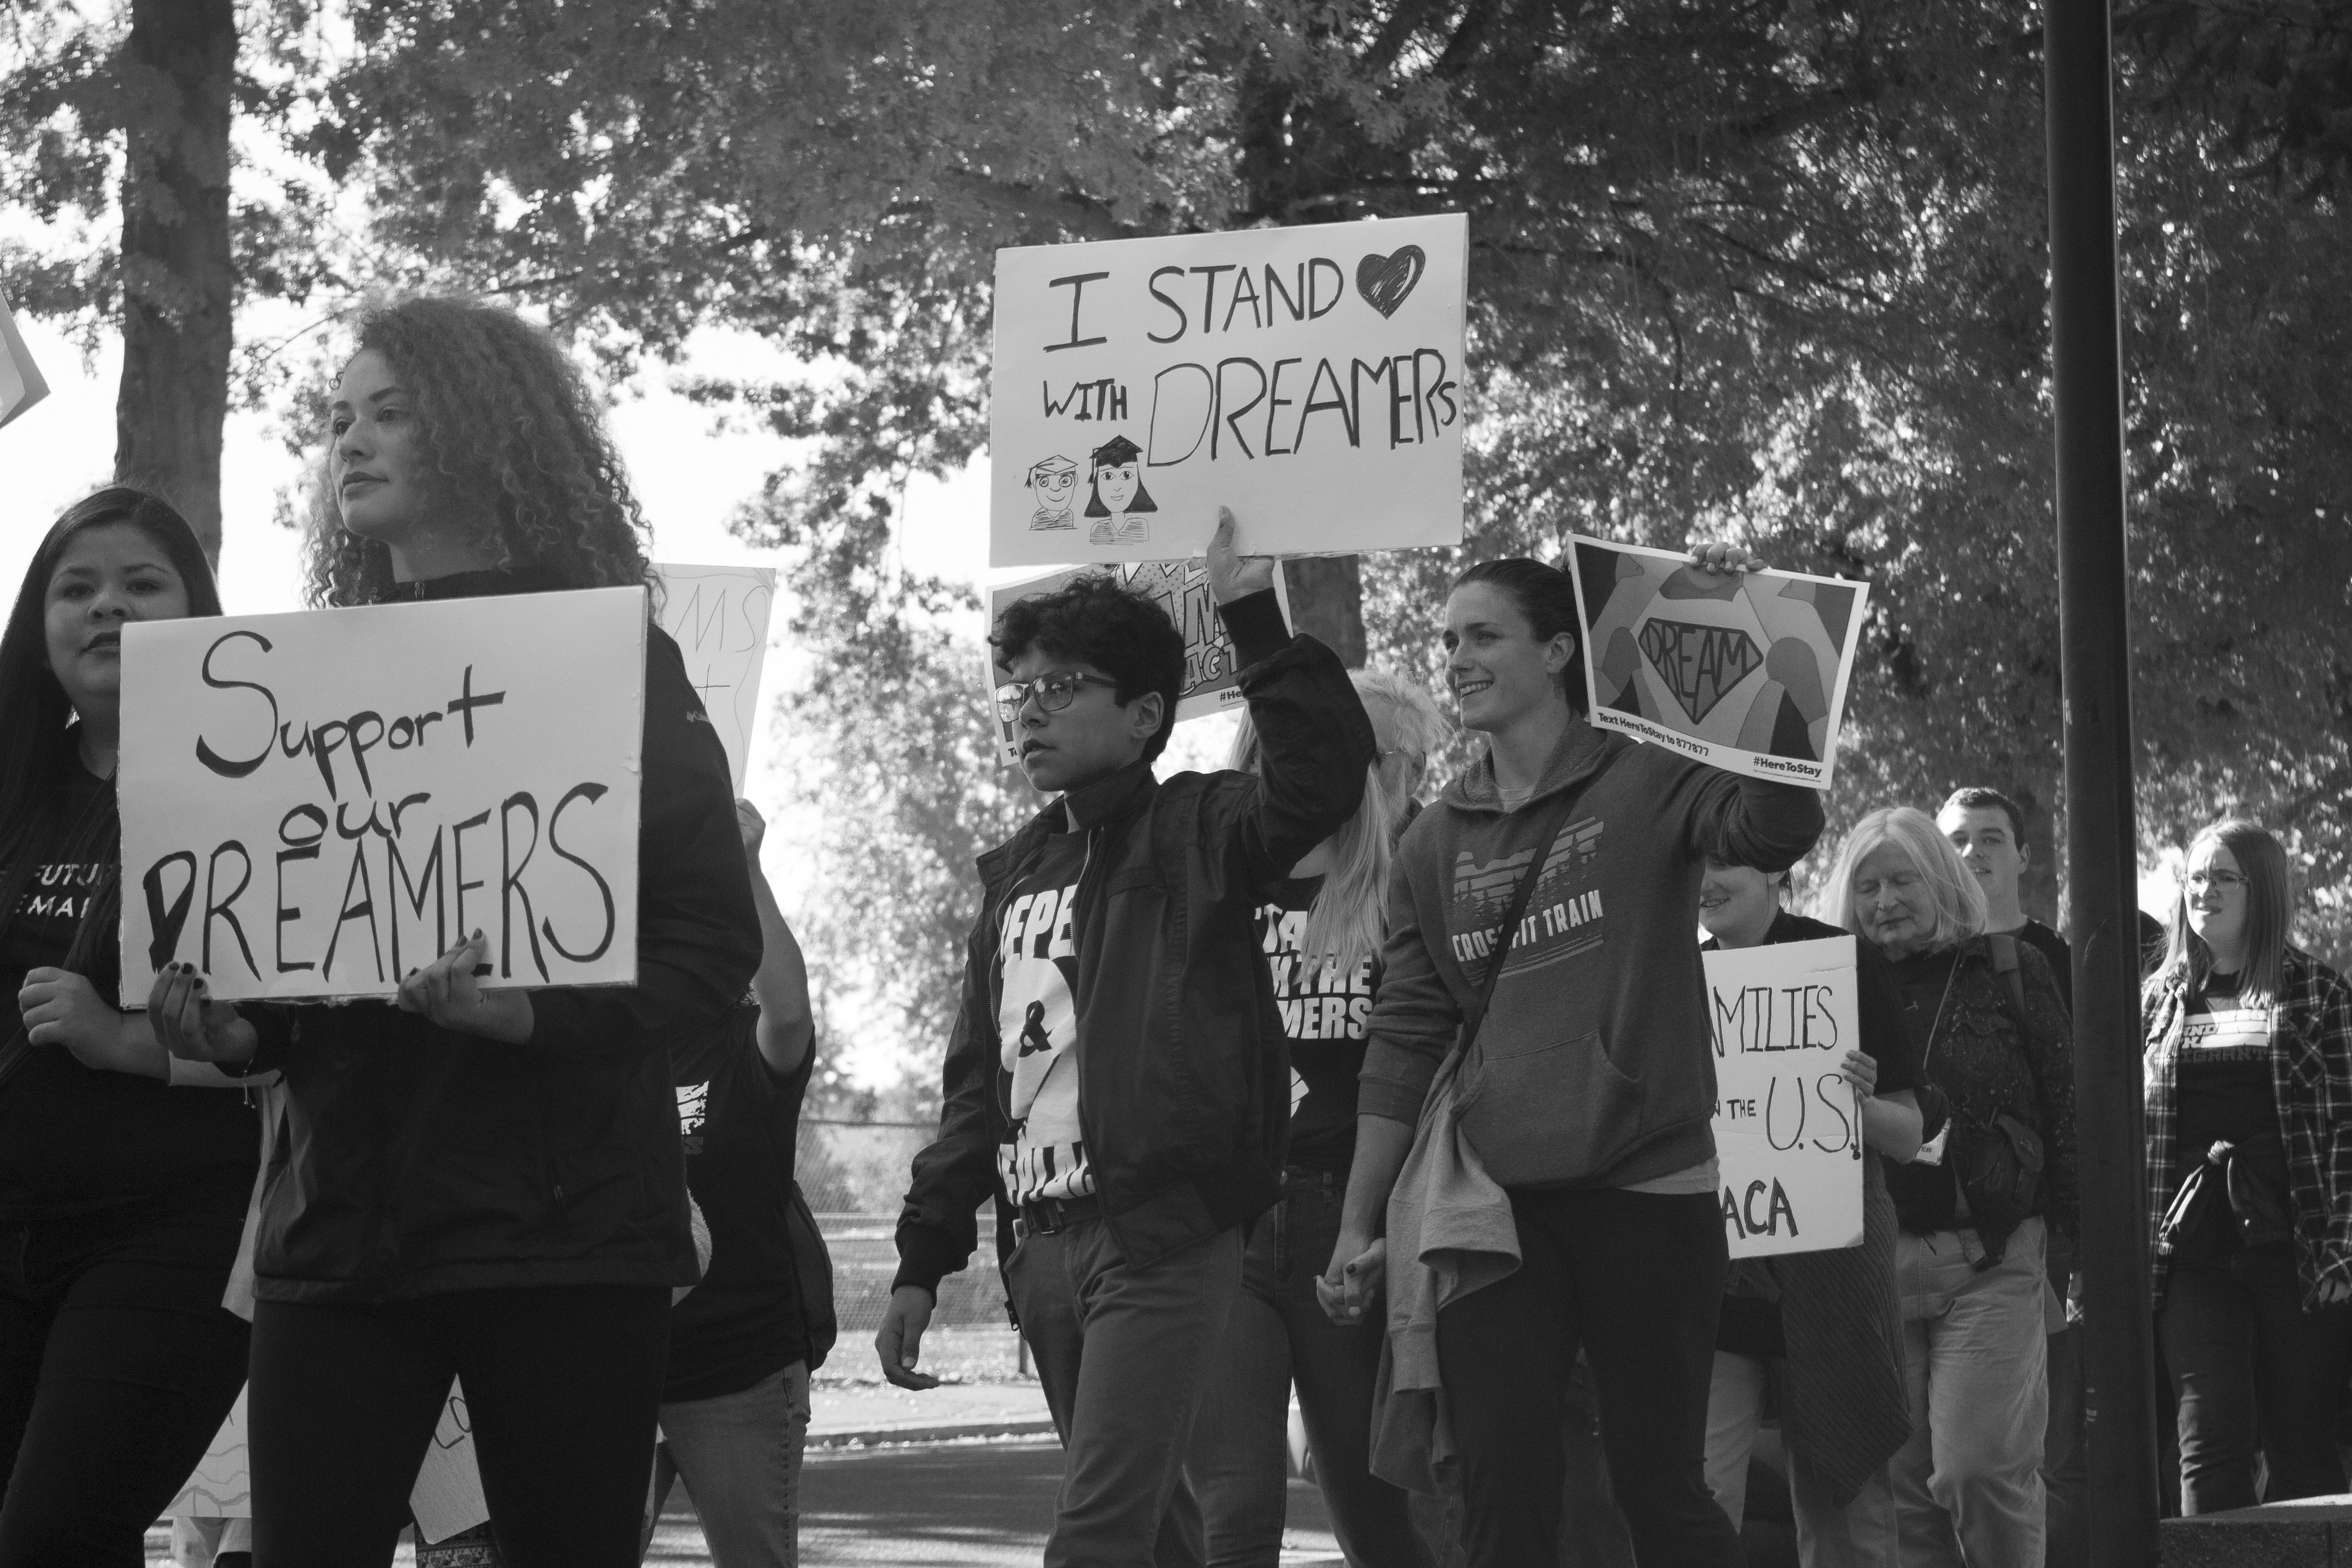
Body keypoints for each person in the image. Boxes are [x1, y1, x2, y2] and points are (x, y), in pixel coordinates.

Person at [151, 295, 761, 1568]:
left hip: (567, 1237)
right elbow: (300, 983)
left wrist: (530, 1015)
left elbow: (710, 951)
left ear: (490, 438)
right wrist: (234, 1025)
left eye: (392, 412)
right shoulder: (302, 681)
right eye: (338, 419)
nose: (351, 444)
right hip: (339, 1235)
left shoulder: (619, 662)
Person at [876, 513, 1376, 1568]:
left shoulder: (1196, 829)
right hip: (1042, 1253)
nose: (1029, 713)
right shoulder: (1010, 877)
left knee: (1095, 1537)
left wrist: (1248, 610)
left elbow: (1321, 776)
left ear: (1147, 712)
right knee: (1155, 1534)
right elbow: (981, 1086)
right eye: (1019, 691)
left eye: (1063, 688)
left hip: (1161, 1237)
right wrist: (925, 1258)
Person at [1331, 551, 1826, 1568]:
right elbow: (1405, 1040)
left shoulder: (1649, 772)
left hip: (1650, 1186)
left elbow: (1777, 825)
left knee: (1661, 1494)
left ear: (1560, 651)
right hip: (1495, 1206)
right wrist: (1357, 1221)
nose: (1458, 657)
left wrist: (1774, 692)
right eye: (1450, 640)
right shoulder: (1432, 842)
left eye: (1484, 636)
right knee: (1500, 1492)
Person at [0, 488, 263, 1567]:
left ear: (197, 613)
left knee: (55, 1534)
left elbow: (305, 1039)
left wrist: (125, 1042)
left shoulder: (264, 787)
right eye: (77, 588)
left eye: (141, 584)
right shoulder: (16, 780)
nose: (107, 607)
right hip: (13, 1218)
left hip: (175, 1228)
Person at [1184, 669, 1447, 1568]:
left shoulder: (1419, 891)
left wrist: (1369, 1225)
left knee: (1378, 1511)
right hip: (1225, 1222)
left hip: (1354, 1224)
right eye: (1289, 745)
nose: (1316, 763)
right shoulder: (1219, 880)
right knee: (1232, 1506)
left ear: (1400, 773)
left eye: (1356, 750)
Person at [1819, 806, 2076, 1568]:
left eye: (1903, 880)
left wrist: (2074, 1246)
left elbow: (2067, 1109)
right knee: (1906, 1504)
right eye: (1867, 885)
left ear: (1941, 880)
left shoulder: (2009, 968)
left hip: (1991, 1263)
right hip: (1872, 1270)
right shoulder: (1827, 987)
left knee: (1977, 1473)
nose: (1885, 900)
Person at [1697, 856, 1918, 1567]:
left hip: (1833, 1285)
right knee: (1696, 1505)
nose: (1705, 877)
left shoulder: (1841, 962)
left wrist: (1859, 1105)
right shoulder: (1674, 980)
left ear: (1773, 869)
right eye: (1692, 858)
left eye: (1725, 859)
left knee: (1844, 1514)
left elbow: (1911, 1135)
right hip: (1717, 1290)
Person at [2143, 818, 2352, 1514]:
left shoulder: (2319, 993)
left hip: (2299, 1255)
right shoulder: (2157, 1000)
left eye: (2222, 876)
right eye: (2195, 876)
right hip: (2192, 1258)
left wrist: (2339, 1254)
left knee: (2305, 1451)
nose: (2203, 890)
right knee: (2208, 1447)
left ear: (2259, 889)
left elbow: (2347, 1130)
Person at [649, 798, 823, 1567]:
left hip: (736, 1372)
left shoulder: (739, 1041)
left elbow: (789, 1014)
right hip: (611, 1369)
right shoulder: (602, 1041)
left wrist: (745, 864)